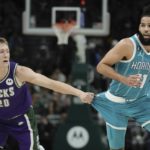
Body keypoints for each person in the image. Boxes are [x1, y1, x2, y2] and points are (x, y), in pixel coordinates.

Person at [0, 37, 94, 150]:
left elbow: (52, 84)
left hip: (21, 118)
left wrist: (80, 93)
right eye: (1, 52)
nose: (6, 55)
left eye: (7, 51)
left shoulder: (19, 72)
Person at [91, 5, 150, 150]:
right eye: (143, 25)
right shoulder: (127, 45)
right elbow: (101, 67)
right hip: (116, 102)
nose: (146, 29)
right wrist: (124, 79)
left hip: (141, 102)